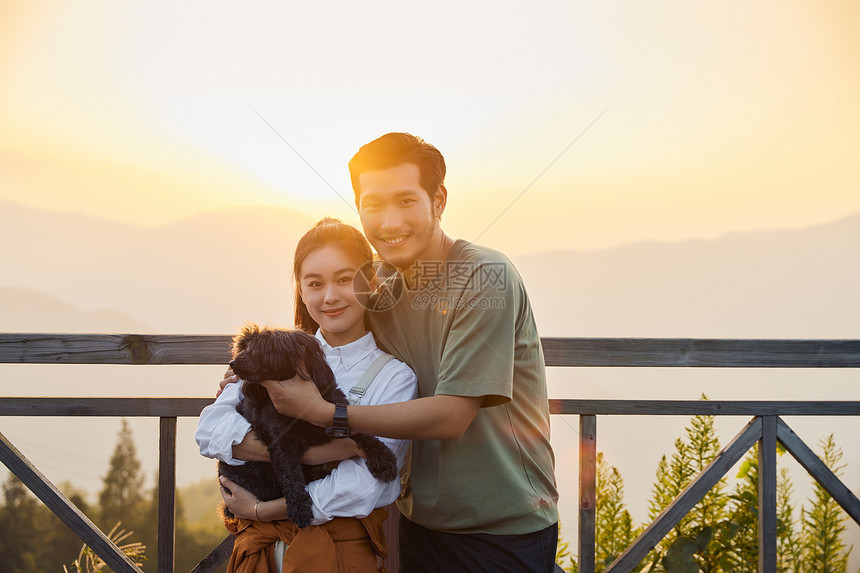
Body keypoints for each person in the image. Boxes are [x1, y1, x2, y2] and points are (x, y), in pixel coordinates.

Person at [224, 133, 559, 572]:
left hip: (501, 525)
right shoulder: (376, 282)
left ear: (438, 200)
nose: (389, 221)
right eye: (373, 205)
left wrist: (327, 415)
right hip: (417, 521)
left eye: (405, 201)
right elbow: (328, 320)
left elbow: (451, 415)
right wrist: (256, 374)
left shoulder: (484, 277)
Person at [196, 218, 418, 572]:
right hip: (259, 552)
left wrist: (263, 509)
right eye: (315, 284)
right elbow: (209, 431)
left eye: (344, 279)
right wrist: (319, 455)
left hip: (338, 554)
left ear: (371, 281)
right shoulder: (274, 353)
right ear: (300, 288)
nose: (329, 296)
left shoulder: (394, 378)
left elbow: (365, 485)